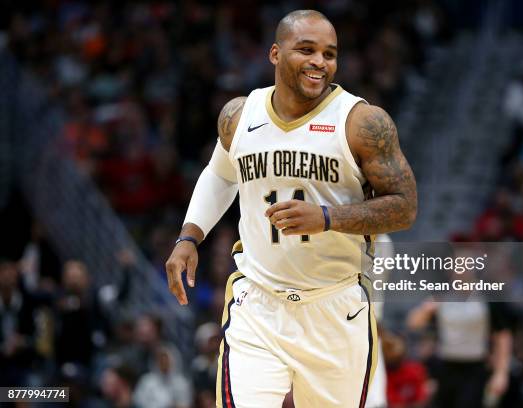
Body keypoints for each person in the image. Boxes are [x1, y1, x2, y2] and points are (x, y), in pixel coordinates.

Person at [165, 9, 417, 408]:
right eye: (307, 49)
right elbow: (220, 175)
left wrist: (328, 218)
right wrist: (189, 236)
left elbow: (404, 208)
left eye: (329, 53)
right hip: (258, 303)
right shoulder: (239, 115)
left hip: (336, 308)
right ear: (275, 54)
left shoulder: (362, 122)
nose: (321, 61)